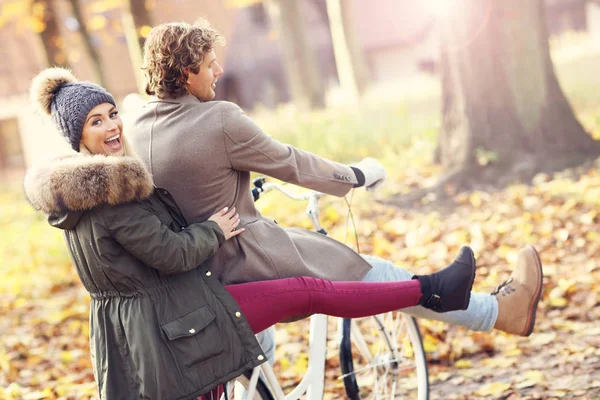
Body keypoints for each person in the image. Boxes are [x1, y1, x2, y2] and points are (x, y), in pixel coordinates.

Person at [24, 68, 478, 399]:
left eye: (111, 114)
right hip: (177, 327)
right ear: (76, 137)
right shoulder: (113, 195)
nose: (112, 126)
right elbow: (172, 253)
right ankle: (434, 290)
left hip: (144, 334)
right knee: (309, 290)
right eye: (96, 122)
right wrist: (215, 229)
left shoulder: (73, 199)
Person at [129, 19, 544, 362]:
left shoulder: (139, 126)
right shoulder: (218, 119)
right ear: (186, 71)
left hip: (192, 275)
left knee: (258, 356)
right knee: (372, 276)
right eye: (210, 64)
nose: (219, 71)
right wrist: (355, 176)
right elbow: (291, 162)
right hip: (243, 259)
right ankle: (498, 313)